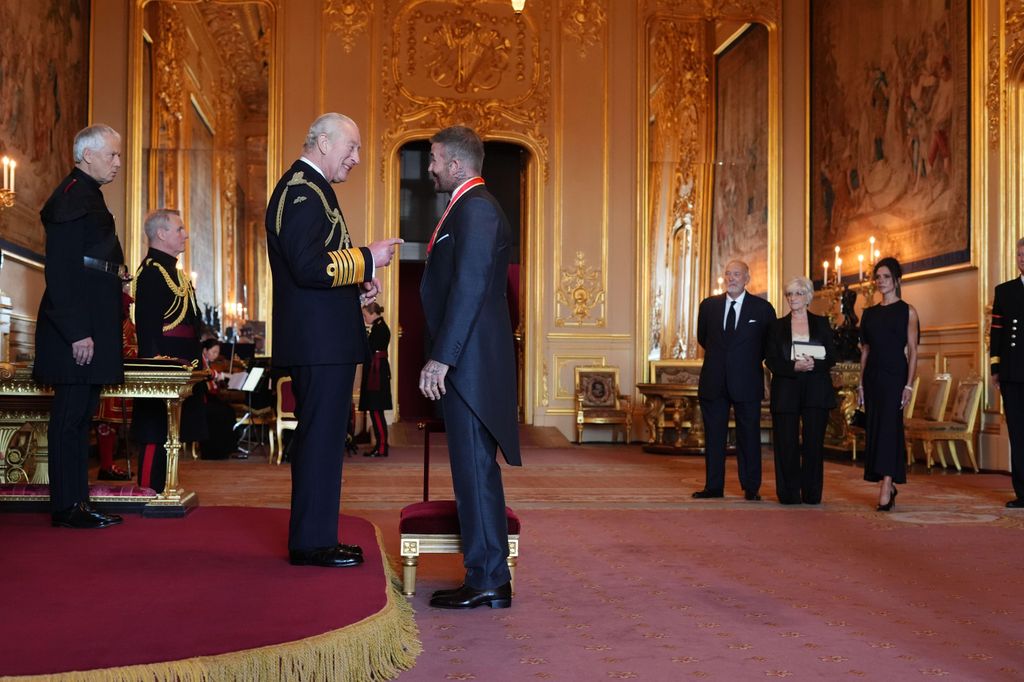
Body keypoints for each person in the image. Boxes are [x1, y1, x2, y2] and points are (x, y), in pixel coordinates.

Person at [266, 112, 401, 568]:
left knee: (323, 440)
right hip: (318, 344)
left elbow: (319, 263)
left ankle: (316, 536)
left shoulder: (309, 190)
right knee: (321, 441)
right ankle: (312, 543)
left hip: (321, 341)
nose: (357, 158)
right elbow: (307, 267)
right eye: (352, 148)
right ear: (323, 143)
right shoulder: (303, 192)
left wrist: (357, 280)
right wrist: (367, 257)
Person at [419, 125, 521, 609]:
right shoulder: (468, 207)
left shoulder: (476, 208)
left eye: (435, 158)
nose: (431, 166)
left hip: (471, 364)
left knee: (475, 471)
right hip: (471, 360)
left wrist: (443, 357)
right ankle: (486, 573)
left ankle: (487, 578)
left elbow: (470, 287)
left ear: (456, 164)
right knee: (471, 469)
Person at [34, 123, 126, 529]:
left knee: (82, 415)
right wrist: (76, 332)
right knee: (69, 417)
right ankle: (66, 506)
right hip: (75, 329)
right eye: (113, 155)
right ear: (88, 155)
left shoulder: (87, 194)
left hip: (89, 320)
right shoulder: (70, 197)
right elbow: (61, 271)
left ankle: (79, 503)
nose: (118, 162)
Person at [131, 209, 207, 493]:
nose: (185, 234)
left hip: (183, 361)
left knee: (172, 431)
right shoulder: (151, 272)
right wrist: (153, 369)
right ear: (161, 234)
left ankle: (167, 486)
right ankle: (150, 489)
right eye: (179, 229)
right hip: (163, 364)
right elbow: (148, 328)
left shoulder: (175, 273)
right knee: (156, 430)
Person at [693, 260, 776, 501]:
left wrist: (741, 361)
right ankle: (713, 487)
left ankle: (751, 487)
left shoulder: (762, 309)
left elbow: (766, 346)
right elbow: (703, 338)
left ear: (747, 278)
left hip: (747, 381)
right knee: (714, 436)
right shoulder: (709, 306)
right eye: (728, 273)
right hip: (714, 380)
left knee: (749, 436)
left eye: (737, 274)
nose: (731, 278)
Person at [765, 276, 837, 505]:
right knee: (786, 444)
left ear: (808, 296)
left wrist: (815, 364)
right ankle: (788, 494)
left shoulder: (822, 324)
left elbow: (832, 356)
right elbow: (771, 360)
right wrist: (793, 366)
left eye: (797, 293)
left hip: (816, 388)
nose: (792, 298)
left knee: (813, 444)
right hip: (786, 387)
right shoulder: (776, 326)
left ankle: (812, 494)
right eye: (789, 294)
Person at [858, 257, 919, 512]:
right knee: (875, 429)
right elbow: (865, 352)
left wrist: (908, 386)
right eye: (878, 277)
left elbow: (913, 351)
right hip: (872, 378)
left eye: (885, 277)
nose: (881, 281)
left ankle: (887, 483)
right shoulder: (869, 314)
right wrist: (860, 385)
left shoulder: (908, 311)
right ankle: (886, 482)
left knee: (890, 430)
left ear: (896, 279)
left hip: (896, 377)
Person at [989, 237, 1024, 508]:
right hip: (1012, 374)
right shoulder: (1005, 291)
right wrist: (996, 368)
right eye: (1019, 255)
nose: (1022, 259)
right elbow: (997, 333)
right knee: (1018, 434)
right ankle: (1023, 493)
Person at [197, 338, 240, 459]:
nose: (216, 356)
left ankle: (228, 447)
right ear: (205, 350)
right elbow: (207, 373)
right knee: (223, 412)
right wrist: (221, 375)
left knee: (228, 411)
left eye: (217, 352)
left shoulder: (206, 362)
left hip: (207, 397)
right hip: (200, 400)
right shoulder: (200, 361)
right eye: (214, 352)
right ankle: (216, 450)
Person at [359, 302, 392, 457]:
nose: (365, 318)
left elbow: (370, 348)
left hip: (376, 374)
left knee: (376, 410)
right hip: (376, 373)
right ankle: (380, 445)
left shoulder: (380, 328)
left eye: (365, 315)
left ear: (372, 313)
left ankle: (382, 446)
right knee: (375, 411)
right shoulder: (379, 326)